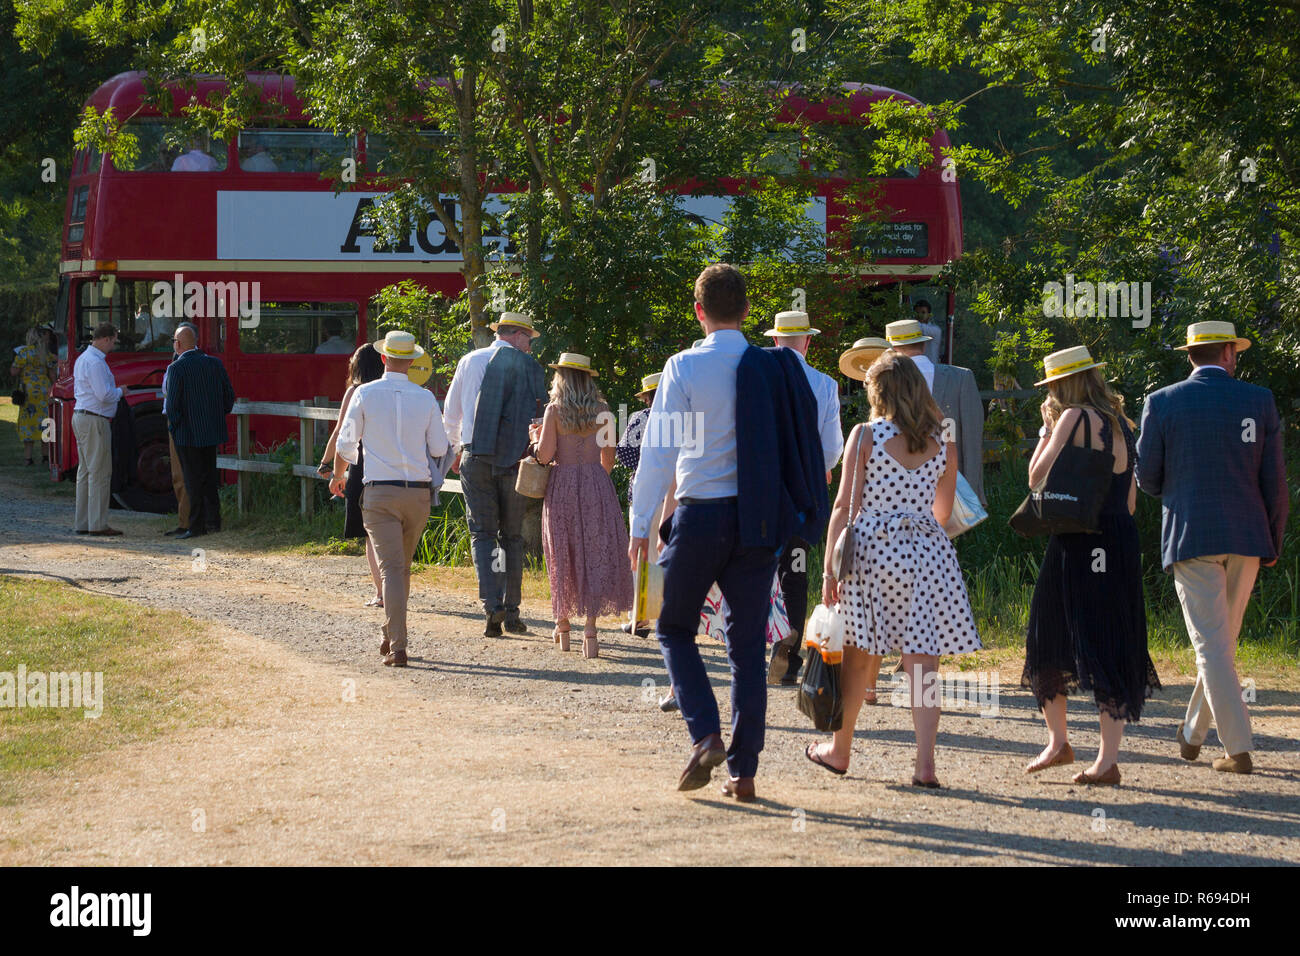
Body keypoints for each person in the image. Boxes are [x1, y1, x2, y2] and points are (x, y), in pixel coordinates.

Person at [629, 263, 827, 803]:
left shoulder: (682, 367)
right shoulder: (774, 367)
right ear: (747, 312)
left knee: (672, 626)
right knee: (746, 649)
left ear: (699, 311)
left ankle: (705, 733)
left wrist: (641, 522)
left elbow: (659, 451)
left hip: (699, 514)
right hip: (760, 519)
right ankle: (744, 774)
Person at [810, 350, 980, 787]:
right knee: (924, 665)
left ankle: (839, 750)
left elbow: (844, 507)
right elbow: (943, 511)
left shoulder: (865, 435)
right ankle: (925, 765)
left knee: (858, 657)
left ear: (878, 393)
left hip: (872, 553)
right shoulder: (943, 440)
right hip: (927, 552)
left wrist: (829, 571)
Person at [1136, 321, 1288, 775]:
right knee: (1220, 645)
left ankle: (1238, 749)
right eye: (1234, 351)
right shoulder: (1259, 400)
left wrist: (1178, 490)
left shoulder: (1162, 402)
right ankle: (1192, 733)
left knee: (1212, 646)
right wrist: (1272, 539)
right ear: (1226, 353)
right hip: (1247, 535)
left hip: (1191, 533)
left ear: (1191, 356)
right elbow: (1275, 483)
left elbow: (1147, 478)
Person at [1020, 346, 1158, 786]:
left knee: (1048, 635)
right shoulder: (1122, 424)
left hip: (1077, 540)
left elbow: (1034, 476)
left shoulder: (1070, 419)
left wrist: (1045, 433)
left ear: (1061, 386)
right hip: (1117, 539)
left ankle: (1061, 742)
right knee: (1107, 639)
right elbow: (1131, 502)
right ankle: (1104, 757)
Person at [333, 330, 449, 667]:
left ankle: (398, 645)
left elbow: (345, 444)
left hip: (379, 492)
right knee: (401, 569)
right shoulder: (425, 398)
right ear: (412, 361)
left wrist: (339, 475)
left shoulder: (364, 394)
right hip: (417, 494)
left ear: (384, 358)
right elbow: (440, 449)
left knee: (392, 570)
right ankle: (391, 634)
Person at [443, 312, 547, 637]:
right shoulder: (528, 367)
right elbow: (538, 416)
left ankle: (492, 607)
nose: (530, 346)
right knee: (512, 536)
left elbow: (451, 413)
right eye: (529, 339)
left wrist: (457, 450)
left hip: (475, 455)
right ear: (516, 335)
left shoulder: (470, 361)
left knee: (483, 534)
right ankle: (513, 612)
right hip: (514, 460)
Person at [531, 353, 632, 657]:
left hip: (561, 484)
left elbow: (545, 456)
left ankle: (562, 626)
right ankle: (591, 632)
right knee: (593, 552)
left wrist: (535, 440)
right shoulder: (603, 412)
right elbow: (609, 458)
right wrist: (594, 479)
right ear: (588, 379)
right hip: (595, 483)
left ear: (561, 378)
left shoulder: (554, 410)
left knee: (561, 551)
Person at [763, 310, 843, 687]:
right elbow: (831, 449)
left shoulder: (759, 376)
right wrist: (817, 468)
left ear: (776, 340)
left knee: (758, 566)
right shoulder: (825, 385)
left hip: (765, 487)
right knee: (795, 569)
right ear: (807, 342)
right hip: (804, 492)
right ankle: (790, 651)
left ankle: (760, 641)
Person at [885, 318, 986, 505]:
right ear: (923, 345)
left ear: (891, 351)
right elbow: (972, 438)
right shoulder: (962, 378)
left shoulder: (884, 384)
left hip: (896, 491)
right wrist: (973, 494)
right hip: (952, 492)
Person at [324, 344, 387, 606]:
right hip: (388, 463)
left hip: (360, 465)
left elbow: (341, 432)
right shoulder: (386, 390)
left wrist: (327, 463)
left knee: (370, 534)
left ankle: (381, 593)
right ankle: (393, 588)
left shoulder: (356, 391)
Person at [166, 324, 234, 539]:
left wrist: (174, 428)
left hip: (187, 434)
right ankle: (214, 522)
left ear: (177, 344)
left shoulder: (177, 368)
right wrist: (216, 418)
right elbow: (228, 397)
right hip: (211, 431)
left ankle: (195, 526)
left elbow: (173, 405)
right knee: (210, 479)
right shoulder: (214, 364)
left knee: (192, 480)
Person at [615, 372, 661, 639]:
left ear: (646, 397)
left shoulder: (640, 419)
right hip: (677, 494)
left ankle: (641, 617)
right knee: (668, 555)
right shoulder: (685, 419)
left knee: (643, 555)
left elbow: (625, 454)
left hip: (644, 491)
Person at [71, 322, 123, 536]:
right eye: (113, 341)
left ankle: (83, 522)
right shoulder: (96, 363)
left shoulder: (83, 359)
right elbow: (104, 395)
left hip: (81, 416)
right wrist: (121, 391)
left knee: (85, 471)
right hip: (95, 419)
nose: (113, 346)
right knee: (100, 472)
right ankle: (98, 524)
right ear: (106, 339)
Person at [159, 323, 197, 537]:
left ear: (179, 343)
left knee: (181, 474)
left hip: (179, 423)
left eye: (174, 340)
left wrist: (174, 422)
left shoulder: (178, 366)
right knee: (181, 474)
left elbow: (169, 394)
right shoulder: (179, 363)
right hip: (184, 422)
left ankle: (186, 521)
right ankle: (186, 519)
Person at [11, 327, 56, 466]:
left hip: (28, 392)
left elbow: (14, 371)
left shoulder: (24, 353)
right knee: (46, 421)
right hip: (45, 390)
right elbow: (52, 374)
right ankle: (46, 457)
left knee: (28, 422)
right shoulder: (46, 354)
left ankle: (28, 458)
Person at [912, 298, 944, 365]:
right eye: (917, 312)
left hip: (931, 369)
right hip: (915, 368)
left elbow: (920, 328)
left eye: (923, 312)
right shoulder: (912, 327)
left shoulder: (935, 330)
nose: (920, 315)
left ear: (929, 315)